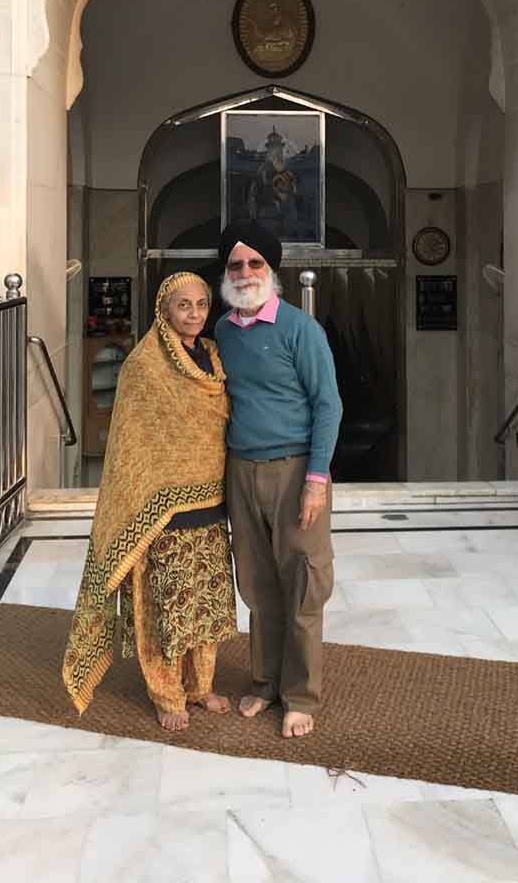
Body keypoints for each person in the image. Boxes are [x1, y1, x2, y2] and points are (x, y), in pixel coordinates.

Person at [63, 272, 236, 731]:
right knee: (164, 606)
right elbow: (133, 443)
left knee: (206, 603)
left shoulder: (214, 356)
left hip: (212, 500)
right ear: (163, 309)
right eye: (184, 305)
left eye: (201, 304)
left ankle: (200, 687)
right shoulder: (145, 365)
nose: (194, 313)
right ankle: (166, 693)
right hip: (162, 509)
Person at [215, 220, 343, 738]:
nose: (245, 273)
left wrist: (316, 479)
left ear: (271, 270)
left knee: (303, 585)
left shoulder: (299, 329)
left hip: (294, 472)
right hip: (239, 471)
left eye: (255, 263)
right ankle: (265, 682)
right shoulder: (222, 331)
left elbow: (328, 406)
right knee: (258, 584)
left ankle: (301, 696)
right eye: (235, 265)